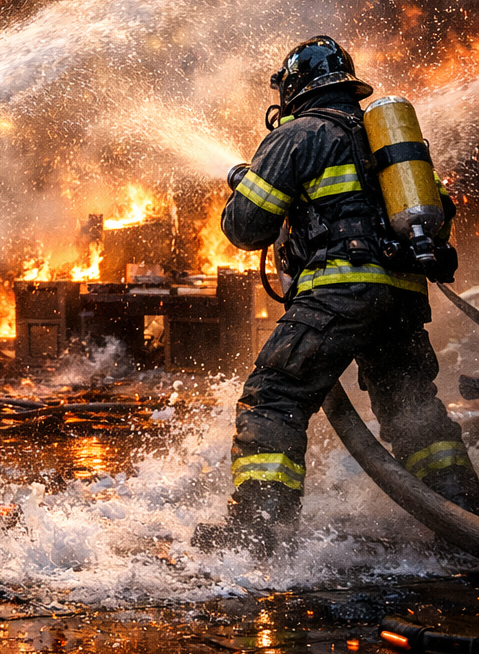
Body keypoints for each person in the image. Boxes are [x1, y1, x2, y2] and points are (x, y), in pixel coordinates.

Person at [193, 35, 479, 557]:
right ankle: (461, 515)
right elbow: (438, 216)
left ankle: (259, 530)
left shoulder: (297, 134)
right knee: (412, 409)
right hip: (402, 297)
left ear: (295, 89)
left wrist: (249, 184)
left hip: (337, 293)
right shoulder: (391, 142)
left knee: (275, 396)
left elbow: (246, 227)